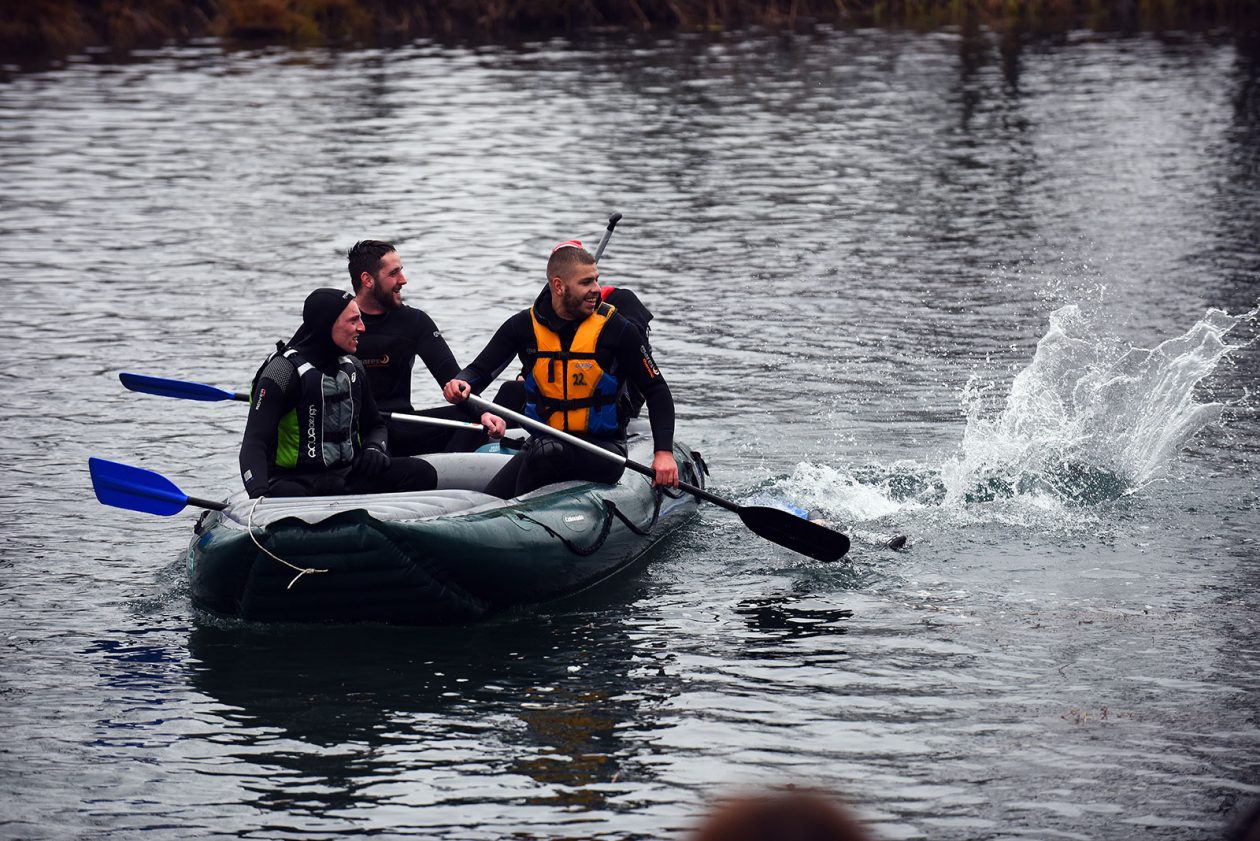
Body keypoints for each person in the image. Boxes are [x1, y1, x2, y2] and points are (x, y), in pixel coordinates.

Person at [442, 239, 678, 499]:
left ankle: (522, 522)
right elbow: (479, 372)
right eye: (586, 282)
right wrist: (460, 383)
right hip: (543, 445)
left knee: (548, 450)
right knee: (498, 492)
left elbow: (656, 390)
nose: (596, 290)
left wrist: (663, 453)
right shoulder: (523, 326)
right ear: (558, 286)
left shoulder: (617, 329)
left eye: (596, 280)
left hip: (603, 450)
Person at [238, 288, 438, 498]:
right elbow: (254, 444)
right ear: (327, 325)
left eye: (360, 320)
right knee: (290, 493)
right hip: (293, 482)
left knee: (421, 473)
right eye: (353, 321)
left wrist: (374, 448)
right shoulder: (282, 373)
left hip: (346, 476)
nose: (362, 328)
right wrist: (260, 494)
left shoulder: (353, 367)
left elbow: (376, 426)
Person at [348, 239, 502, 455]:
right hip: (352, 431)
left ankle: (449, 478)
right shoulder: (338, 320)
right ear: (367, 280)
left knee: (470, 417)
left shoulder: (415, 321)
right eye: (393, 274)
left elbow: (452, 379)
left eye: (401, 271)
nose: (404, 280)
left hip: (400, 425)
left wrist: (483, 413)